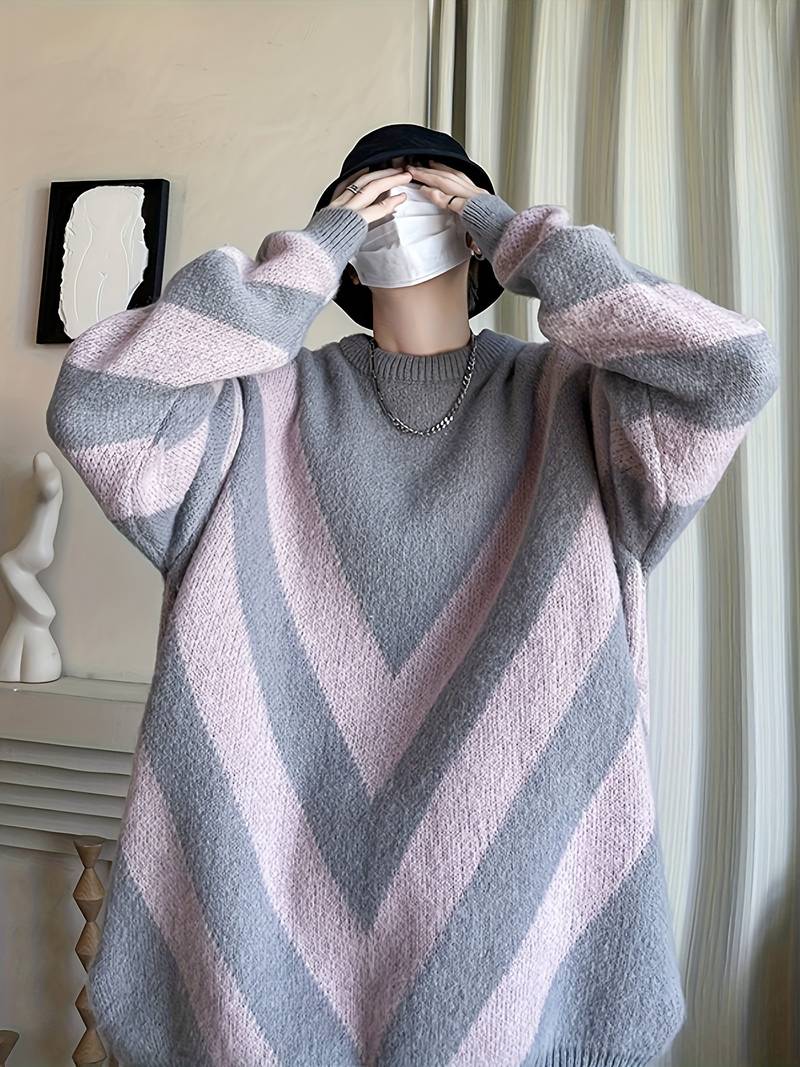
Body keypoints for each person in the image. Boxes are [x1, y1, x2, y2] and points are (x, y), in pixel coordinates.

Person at [45, 123, 779, 1067]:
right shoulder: (253, 410)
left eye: (429, 188)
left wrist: (523, 237)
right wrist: (303, 263)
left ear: (476, 232)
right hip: (261, 928)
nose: (400, 199)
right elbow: (96, 402)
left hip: (511, 929)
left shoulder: (580, 406)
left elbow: (731, 366)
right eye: (372, 193)